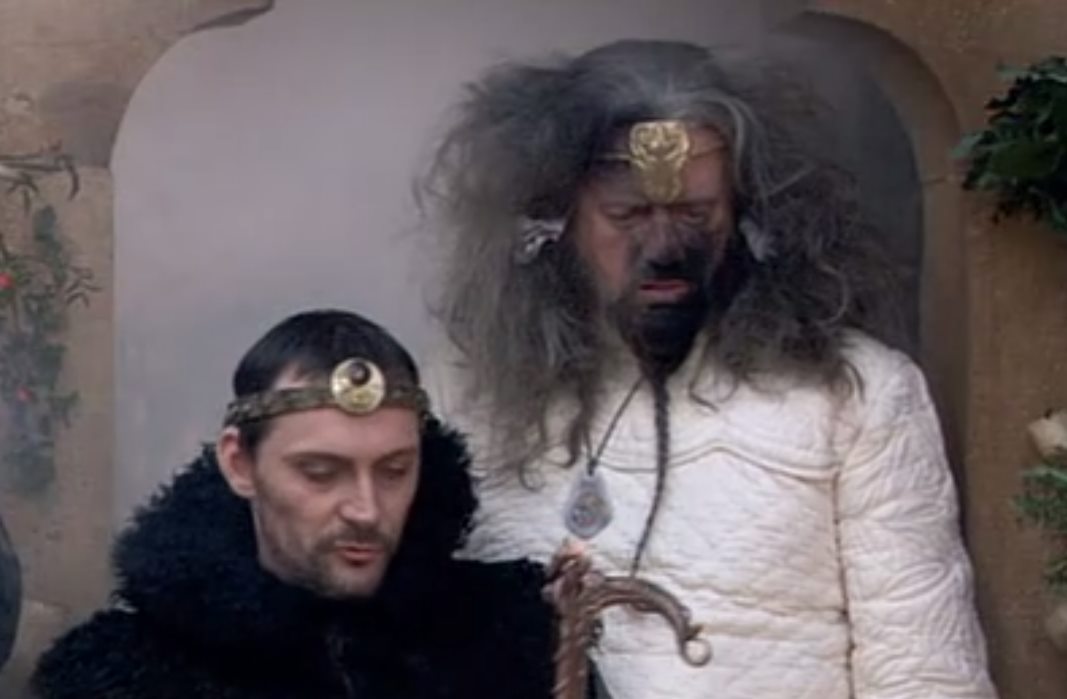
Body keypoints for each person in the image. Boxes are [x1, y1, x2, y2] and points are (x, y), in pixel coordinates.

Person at [422, 39, 998, 699]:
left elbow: (925, 676)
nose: (666, 247)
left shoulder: (857, 394)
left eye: (695, 214)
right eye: (628, 214)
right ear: (556, 218)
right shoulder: (466, 390)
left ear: (745, 213)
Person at [32, 310, 556, 699]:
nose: (367, 510)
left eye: (394, 471)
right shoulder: (125, 677)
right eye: (321, 473)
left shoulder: (517, 644)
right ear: (240, 464)